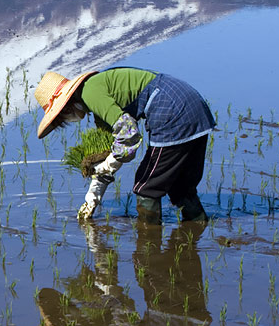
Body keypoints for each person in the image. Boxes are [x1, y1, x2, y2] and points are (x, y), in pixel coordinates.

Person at [34, 67, 214, 224]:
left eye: (63, 117)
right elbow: (111, 149)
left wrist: (111, 162)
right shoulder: (97, 92)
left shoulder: (91, 93)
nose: (68, 119)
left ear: (66, 106)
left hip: (171, 110)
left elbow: (129, 136)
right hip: (193, 105)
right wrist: (93, 196)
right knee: (180, 186)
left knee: (147, 187)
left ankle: (148, 244)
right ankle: (197, 229)